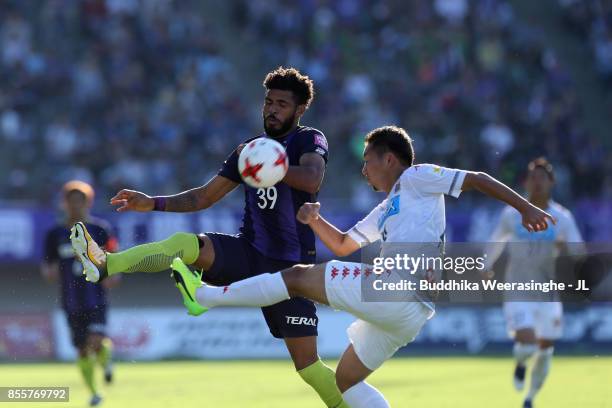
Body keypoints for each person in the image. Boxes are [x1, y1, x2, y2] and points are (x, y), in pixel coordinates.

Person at [169, 126, 556, 408]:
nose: (363, 169)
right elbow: (341, 245)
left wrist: (525, 207)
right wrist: (314, 220)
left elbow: (477, 178)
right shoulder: (388, 207)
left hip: (395, 290)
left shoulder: (417, 178)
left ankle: (205, 295)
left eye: (367, 161)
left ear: (390, 158)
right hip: (408, 314)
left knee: (298, 277)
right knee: (346, 380)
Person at [70, 67, 349, 407]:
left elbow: (312, 179)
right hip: (248, 252)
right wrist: (152, 202)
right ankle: (105, 264)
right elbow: (203, 197)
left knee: (307, 367)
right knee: (185, 245)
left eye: (281, 104)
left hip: (292, 270)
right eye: (268, 102)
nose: (272, 110)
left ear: (299, 109)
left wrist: (272, 168)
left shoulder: (309, 139)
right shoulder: (249, 149)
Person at [484, 158, 584, 408]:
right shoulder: (511, 214)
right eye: (532, 177)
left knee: (546, 350)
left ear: (552, 183)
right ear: (525, 182)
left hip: (548, 293)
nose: (536, 182)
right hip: (517, 289)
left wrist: (567, 250)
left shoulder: (562, 217)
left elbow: (579, 252)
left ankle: (530, 398)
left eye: (542, 177)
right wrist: (485, 266)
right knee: (528, 343)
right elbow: (496, 240)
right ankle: (520, 363)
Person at [42, 181, 119, 407]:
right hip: (71, 301)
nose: (76, 205)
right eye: (71, 201)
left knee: (97, 341)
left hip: (96, 297)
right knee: (82, 349)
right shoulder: (55, 234)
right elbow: (47, 267)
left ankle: (106, 363)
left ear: (88, 202)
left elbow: (114, 258)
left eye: (80, 200)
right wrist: (49, 272)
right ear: (64, 203)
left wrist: (113, 275)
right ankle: (95, 393)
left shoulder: (101, 230)